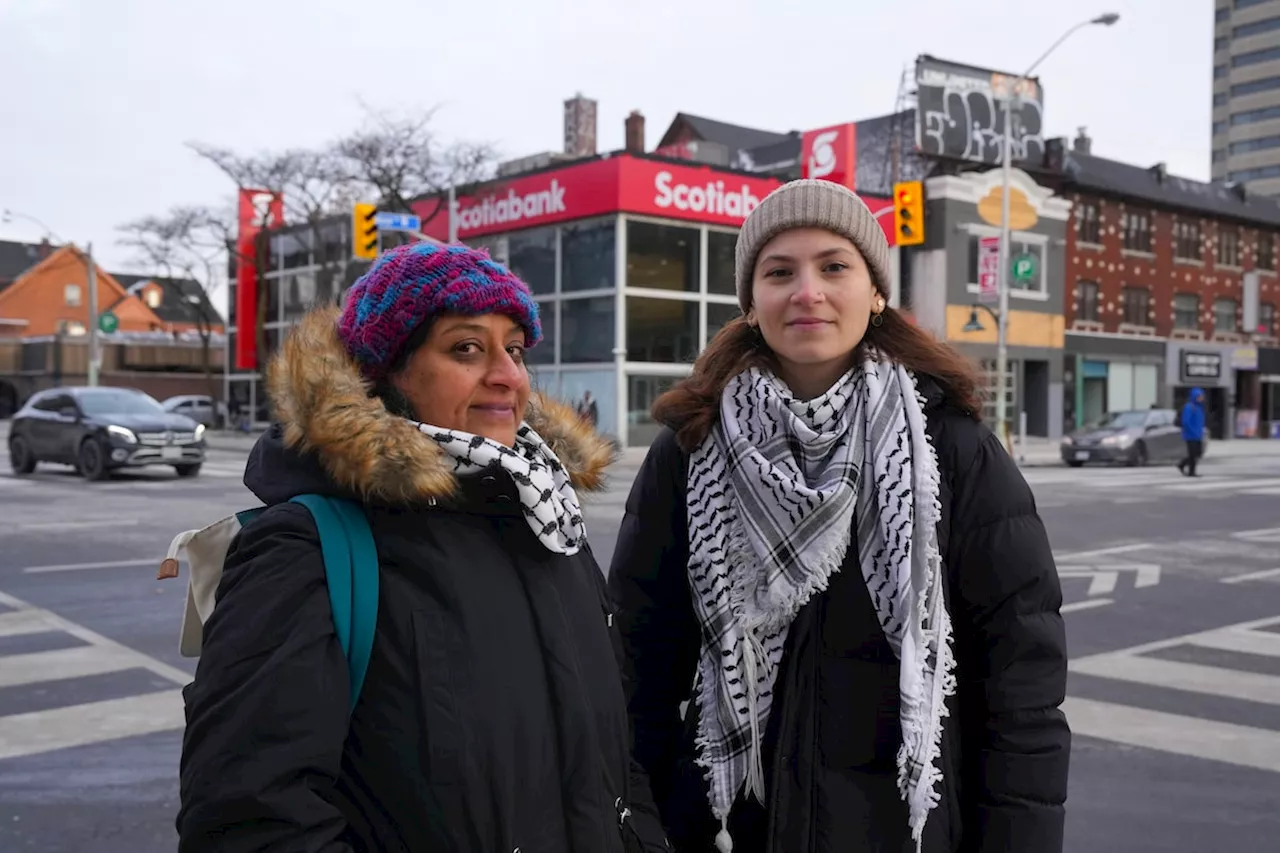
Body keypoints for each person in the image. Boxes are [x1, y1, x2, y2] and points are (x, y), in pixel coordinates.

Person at [609, 180, 1070, 853]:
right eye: (779, 271)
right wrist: (638, 831)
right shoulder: (689, 450)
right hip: (724, 830)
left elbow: (1021, 690)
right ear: (751, 300)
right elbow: (634, 671)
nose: (807, 291)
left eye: (834, 266)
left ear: (876, 291)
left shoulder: (953, 450)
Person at [178, 242, 670, 853]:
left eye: (514, 349)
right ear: (386, 373)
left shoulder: (549, 520)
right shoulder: (308, 550)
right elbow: (251, 819)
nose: (508, 375)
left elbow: (615, 761)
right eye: (466, 347)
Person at [1178, 387, 1207, 477]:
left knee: (1198, 453)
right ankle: (1192, 471)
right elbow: (1185, 422)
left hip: (1198, 434)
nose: (1201, 398)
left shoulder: (1199, 407)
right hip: (1190, 435)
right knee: (1193, 454)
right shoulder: (1189, 407)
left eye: (1202, 396)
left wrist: (1201, 431)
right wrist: (1193, 431)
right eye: (1199, 396)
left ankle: (1182, 464)